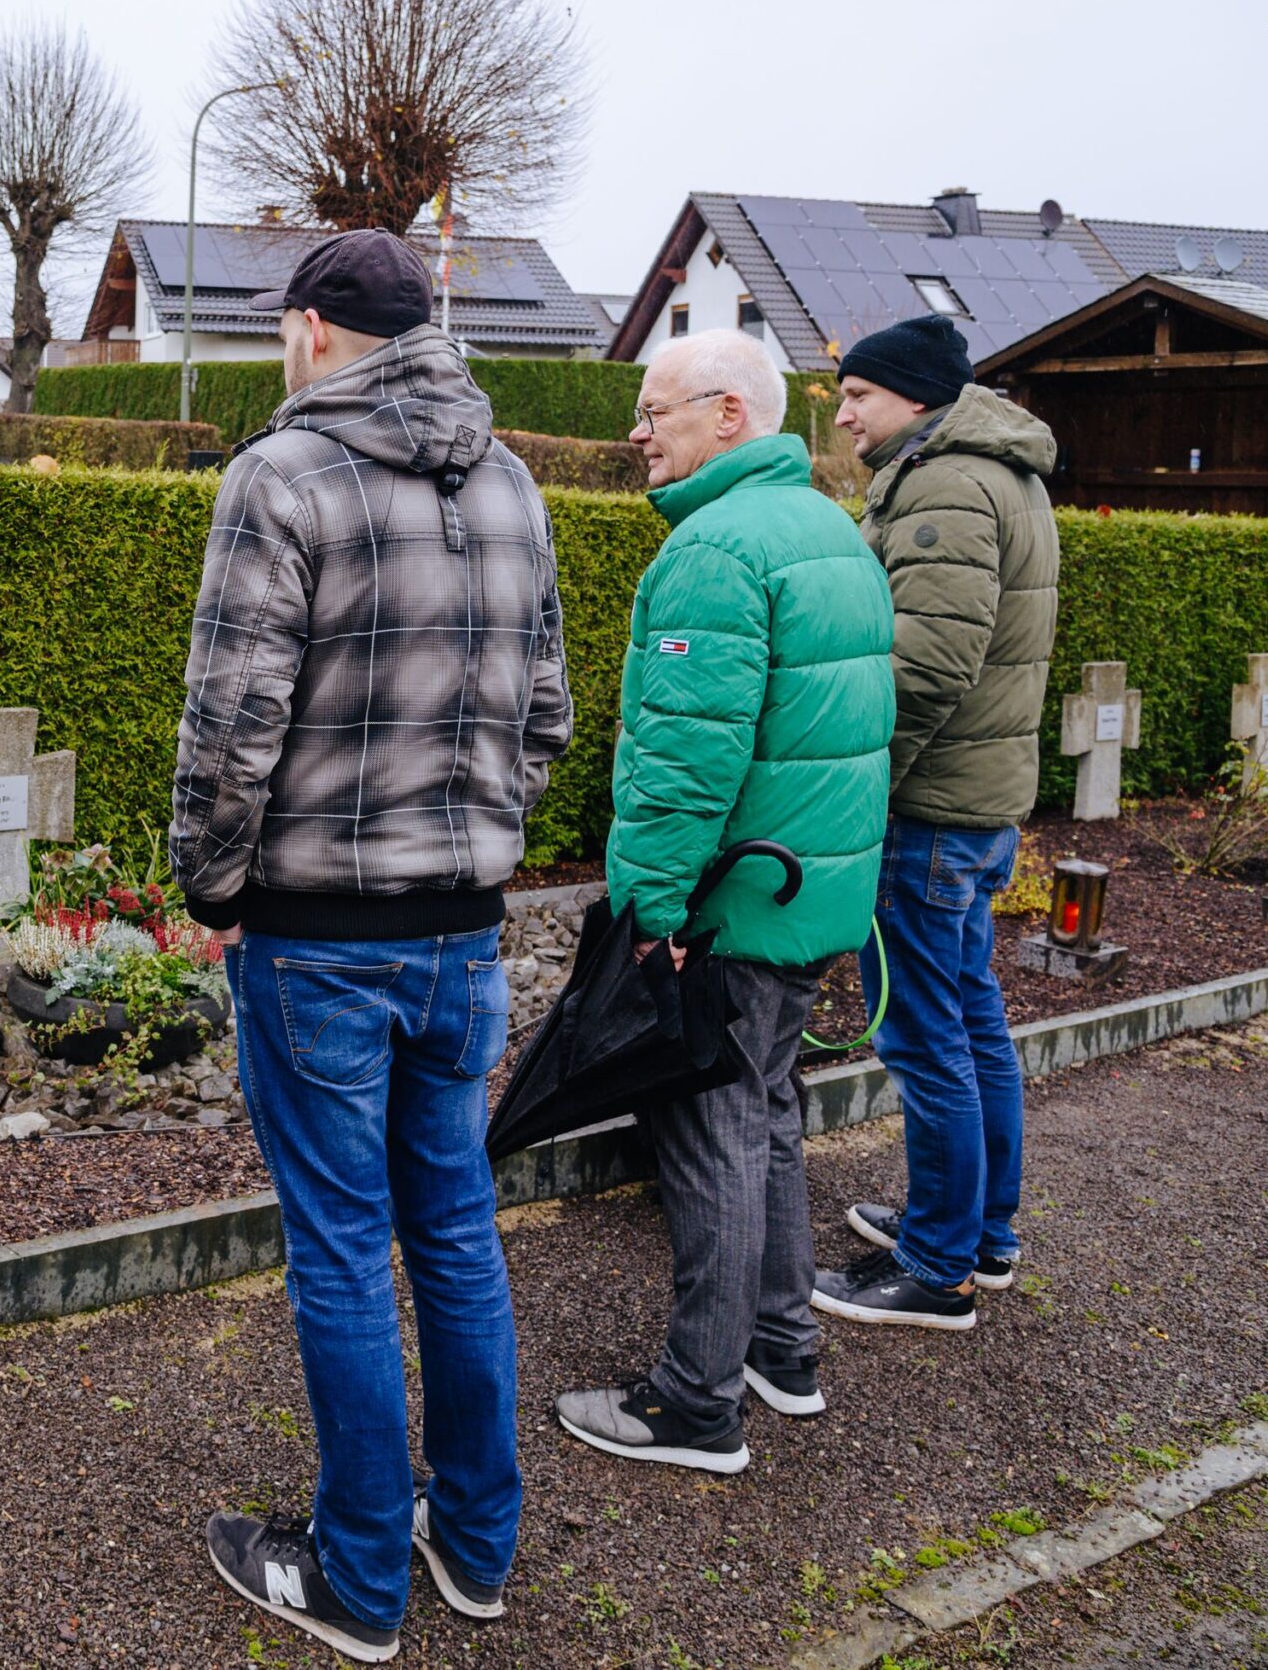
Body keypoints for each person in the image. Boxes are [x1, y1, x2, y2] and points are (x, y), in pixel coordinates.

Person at [172, 229, 571, 1664]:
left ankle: (355, 1579)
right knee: (454, 1228)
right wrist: (473, 842)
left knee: (342, 1248)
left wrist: (213, 890)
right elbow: (547, 718)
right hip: (463, 931)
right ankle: (472, 1543)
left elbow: (232, 725)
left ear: (314, 329)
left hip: (319, 937)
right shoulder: (515, 480)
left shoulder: (280, 477)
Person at [551, 329, 893, 1474]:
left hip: (734, 897)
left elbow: (686, 759)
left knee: (708, 1131)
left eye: (657, 412)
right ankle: (779, 1346)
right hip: (804, 886)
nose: (636, 433)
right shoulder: (825, 529)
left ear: (729, 417)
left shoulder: (713, 549)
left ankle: (695, 1400)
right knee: (769, 1111)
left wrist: (651, 909)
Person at [812, 314, 1059, 1332]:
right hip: (974, 801)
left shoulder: (949, 482)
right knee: (968, 1017)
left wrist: (862, 796)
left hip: (928, 810)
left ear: (912, 396)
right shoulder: (992, 468)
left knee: (924, 1037)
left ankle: (938, 1266)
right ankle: (980, 1231)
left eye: (858, 396)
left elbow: (925, 668)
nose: (844, 412)